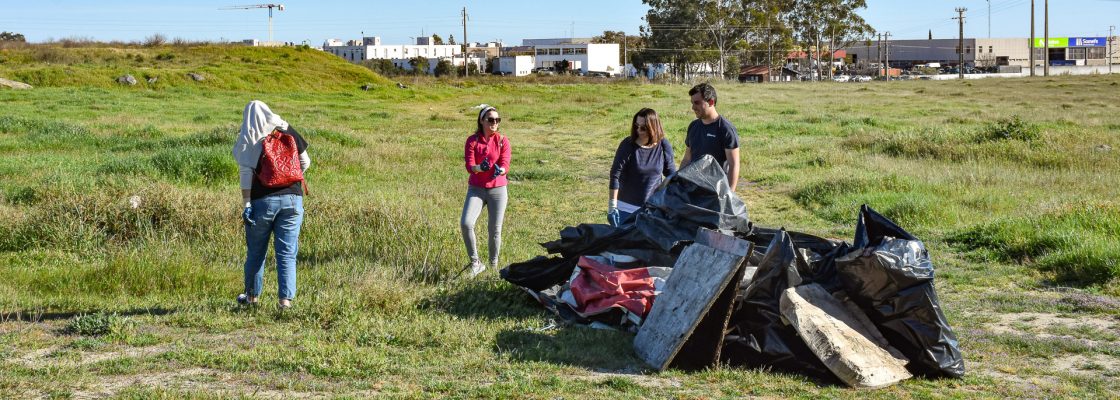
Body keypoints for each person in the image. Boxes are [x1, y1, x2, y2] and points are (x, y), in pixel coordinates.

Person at [231, 100, 310, 309]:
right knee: (287, 252)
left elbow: (246, 174)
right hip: (293, 200)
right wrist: (287, 177)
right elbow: (305, 162)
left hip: (261, 201)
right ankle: (285, 301)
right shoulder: (286, 129)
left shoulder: (249, 136)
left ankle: (251, 298)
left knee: (256, 252)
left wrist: (247, 204)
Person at [460, 105, 511, 277]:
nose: (494, 123)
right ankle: (476, 263)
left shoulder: (503, 141)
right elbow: (470, 166)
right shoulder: (472, 141)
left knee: (494, 229)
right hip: (477, 189)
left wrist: (501, 171)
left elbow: (505, 163)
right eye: (490, 119)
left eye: (497, 120)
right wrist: (479, 168)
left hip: (498, 189)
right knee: (466, 223)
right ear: (481, 121)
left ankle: (493, 266)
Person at [608, 108, 676, 226]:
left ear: (653, 128)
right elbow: (615, 175)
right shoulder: (628, 145)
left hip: (652, 210)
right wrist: (612, 206)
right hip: (626, 209)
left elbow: (672, 176)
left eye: (643, 128)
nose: (638, 130)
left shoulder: (663, 145)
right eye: (636, 126)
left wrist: (667, 204)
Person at [678, 83, 740, 191]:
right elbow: (687, 159)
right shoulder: (693, 126)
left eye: (697, 103)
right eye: (692, 103)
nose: (693, 107)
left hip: (716, 190)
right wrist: (678, 182)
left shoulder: (726, 129)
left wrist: (730, 195)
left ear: (711, 102)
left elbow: (734, 165)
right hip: (693, 188)